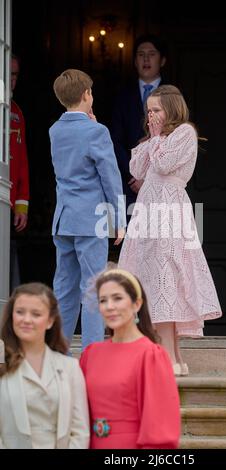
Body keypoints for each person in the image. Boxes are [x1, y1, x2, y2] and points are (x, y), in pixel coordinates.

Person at [118, 85, 222, 376]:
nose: (151, 115)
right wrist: (152, 139)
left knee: (167, 274)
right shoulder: (157, 139)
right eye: (148, 110)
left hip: (169, 209)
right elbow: (136, 168)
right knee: (154, 275)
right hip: (148, 211)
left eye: (157, 110)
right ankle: (174, 356)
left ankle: (167, 355)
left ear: (172, 109)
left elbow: (164, 165)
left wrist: (154, 140)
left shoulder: (184, 133)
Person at [49, 69, 126, 350]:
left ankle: (58, 351)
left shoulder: (55, 130)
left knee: (64, 288)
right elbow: (110, 176)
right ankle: (93, 353)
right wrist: (119, 218)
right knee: (92, 288)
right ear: (86, 95)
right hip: (91, 220)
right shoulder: (98, 132)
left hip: (64, 219)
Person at [80, 268, 181, 449]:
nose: (109, 306)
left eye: (117, 298)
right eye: (103, 300)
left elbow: (159, 428)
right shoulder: (91, 354)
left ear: (137, 304)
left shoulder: (151, 355)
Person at [0, 282, 90, 449]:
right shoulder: (2, 363)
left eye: (36, 314)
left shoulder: (70, 367)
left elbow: (80, 432)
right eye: (20, 312)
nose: (26, 319)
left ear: (50, 321)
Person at [110, 34, 167, 213]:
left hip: (164, 183)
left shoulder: (174, 96)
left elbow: (177, 137)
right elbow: (115, 140)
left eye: (151, 54)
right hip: (129, 184)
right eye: (141, 54)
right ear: (135, 61)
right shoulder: (121, 96)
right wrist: (135, 174)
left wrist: (151, 176)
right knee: (128, 238)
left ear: (163, 60)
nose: (146, 59)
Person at [9, 54, 30, 292]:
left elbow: (21, 161)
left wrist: (22, 205)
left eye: (15, 75)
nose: (12, 79)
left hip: (9, 200)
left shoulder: (16, 112)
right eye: (8, 73)